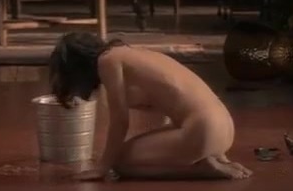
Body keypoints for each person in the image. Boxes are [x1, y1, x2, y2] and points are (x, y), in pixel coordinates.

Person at [48, 32, 250, 181]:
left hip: (202, 130)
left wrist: (102, 167)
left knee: (119, 163)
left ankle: (199, 170)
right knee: (132, 155)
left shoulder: (107, 61)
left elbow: (120, 121)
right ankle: (213, 158)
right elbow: (170, 105)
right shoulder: (130, 54)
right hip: (224, 129)